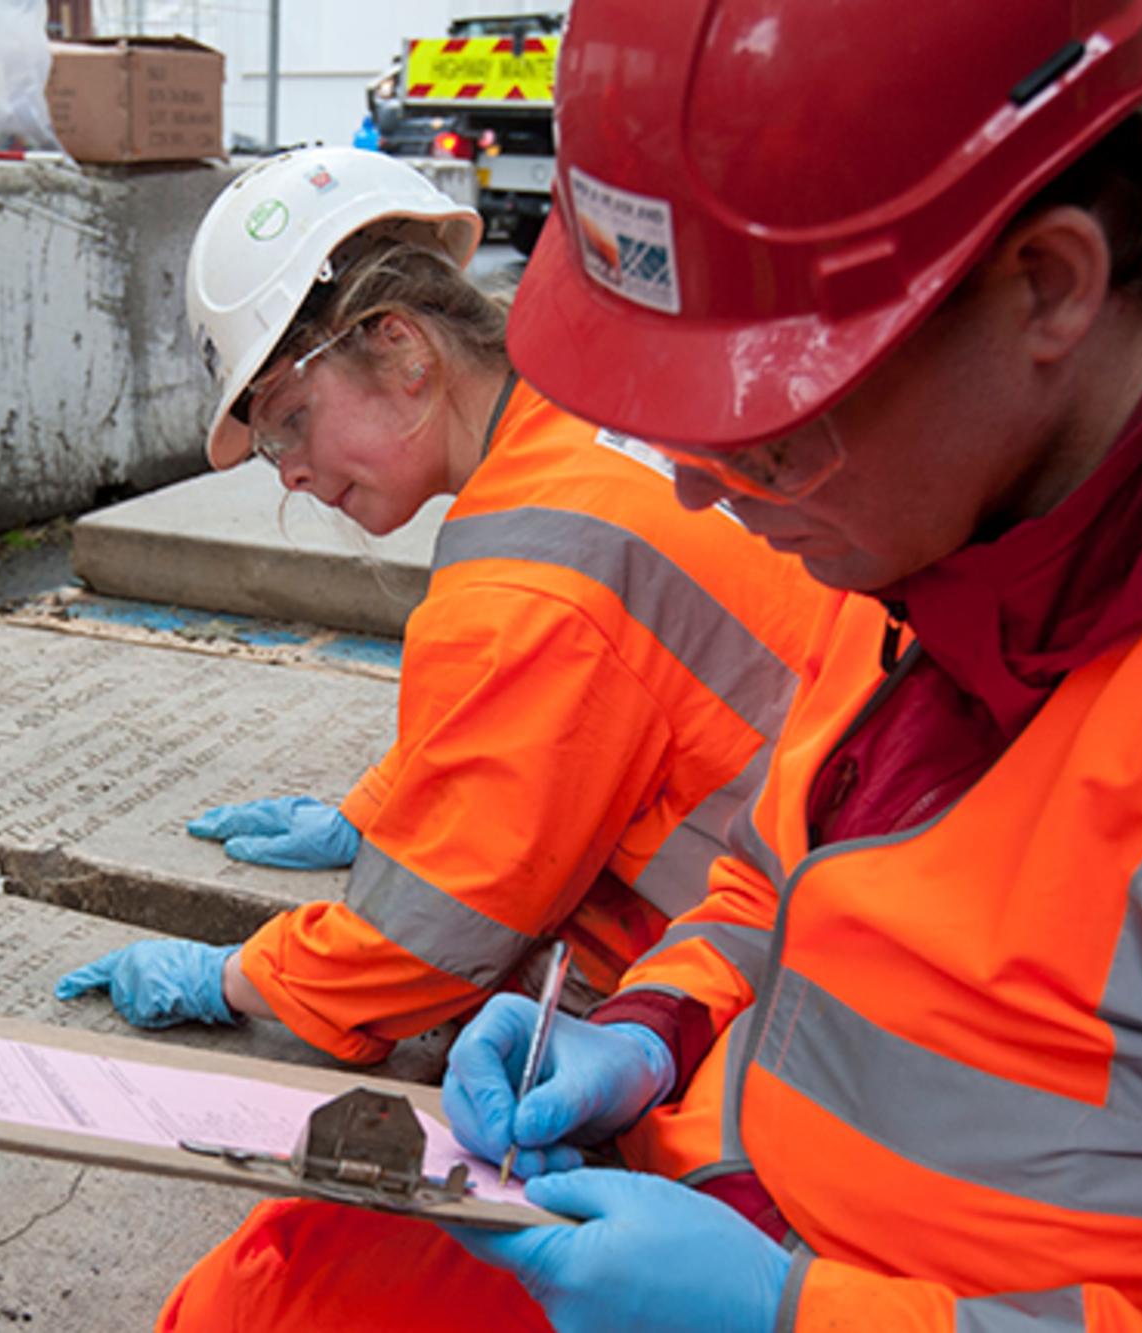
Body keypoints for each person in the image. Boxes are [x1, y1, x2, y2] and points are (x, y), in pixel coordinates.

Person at [160, 2, 1142, 1328]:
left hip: (877, 1289)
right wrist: (648, 1031)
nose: (699, 491)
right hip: (730, 1183)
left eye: (760, 428)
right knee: (275, 1289)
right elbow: (772, 876)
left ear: (1044, 286)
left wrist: (787, 1313)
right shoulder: (933, 529)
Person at [56, 147, 827, 1065]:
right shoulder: (584, 414)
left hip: (793, 983)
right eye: (270, 446)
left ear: (401, 348)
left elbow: (427, 938)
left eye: (291, 419)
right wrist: (374, 810)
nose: (291, 473)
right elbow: (529, 714)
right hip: (839, 868)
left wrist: (233, 976)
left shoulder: (532, 569)